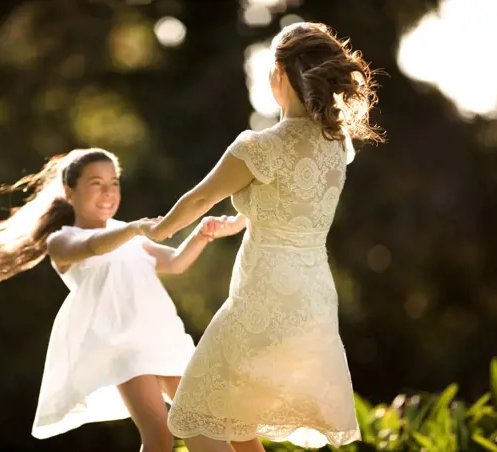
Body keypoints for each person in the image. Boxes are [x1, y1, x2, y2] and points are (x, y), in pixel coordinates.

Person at [144, 22, 384, 451]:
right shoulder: (336, 144)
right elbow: (293, 205)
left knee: (195, 415)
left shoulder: (260, 147)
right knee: (238, 422)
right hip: (312, 300)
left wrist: (156, 230)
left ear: (279, 73)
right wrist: (240, 221)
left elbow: (199, 198)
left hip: (263, 298)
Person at [0, 148, 229, 452]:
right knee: (158, 431)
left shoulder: (129, 233)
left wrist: (201, 235)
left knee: (200, 422)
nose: (108, 193)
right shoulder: (64, 240)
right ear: (70, 193)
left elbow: (174, 263)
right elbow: (94, 247)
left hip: (162, 335)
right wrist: (135, 229)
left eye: (113, 183)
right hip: (120, 344)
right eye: (96, 184)